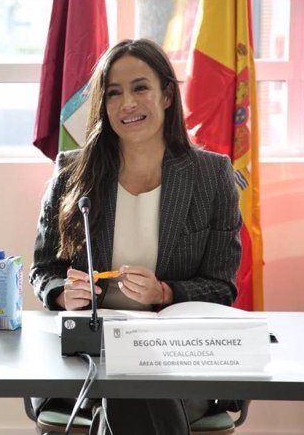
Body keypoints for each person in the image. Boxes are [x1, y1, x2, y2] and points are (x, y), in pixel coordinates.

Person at [30, 38, 242, 434]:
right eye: (113, 93)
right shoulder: (71, 173)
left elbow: (222, 287)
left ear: (165, 95)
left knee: (132, 386)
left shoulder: (213, 176)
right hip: (89, 355)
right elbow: (45, 268)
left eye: (140, 88)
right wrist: (62, 292)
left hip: (178, 360)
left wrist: (164, 292)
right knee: (123, 383)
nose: (127, 103)